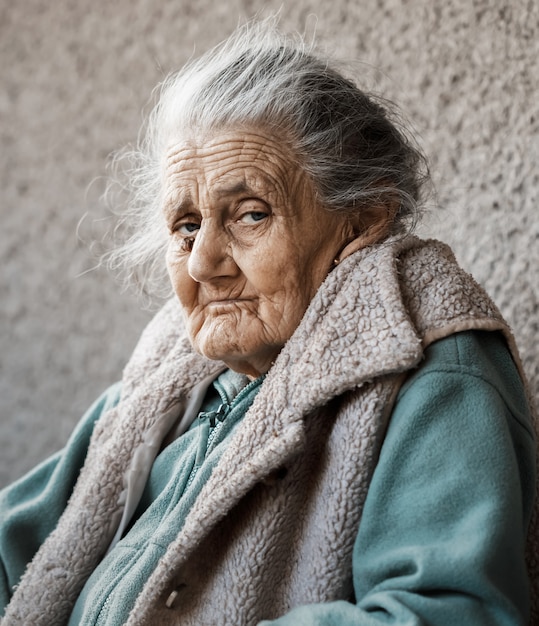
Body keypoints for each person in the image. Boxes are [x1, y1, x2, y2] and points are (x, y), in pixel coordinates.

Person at [0, 18, 537, 626]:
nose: (203, 262)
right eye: (185, 226)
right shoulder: (164, 384)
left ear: (360, 224)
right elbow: (14, 554)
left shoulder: (430, 369)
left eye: (250, 215)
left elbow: (449, 614)